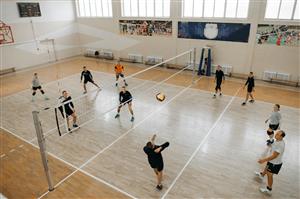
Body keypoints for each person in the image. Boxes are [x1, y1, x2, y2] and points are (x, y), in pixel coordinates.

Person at [255, 130, 286, 195]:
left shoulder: (281, 145)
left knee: (269, 175)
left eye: (278, 134)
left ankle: (269, 189)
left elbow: (274, 156)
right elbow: (273, 147)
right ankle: (262, 175)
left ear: (281, 137)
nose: (276, 135)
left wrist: (263, 160)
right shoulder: (277, 140)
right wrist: (270, 144)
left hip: (275, 163)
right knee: (267, 167)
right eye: (276, 133)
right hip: (271, 161)